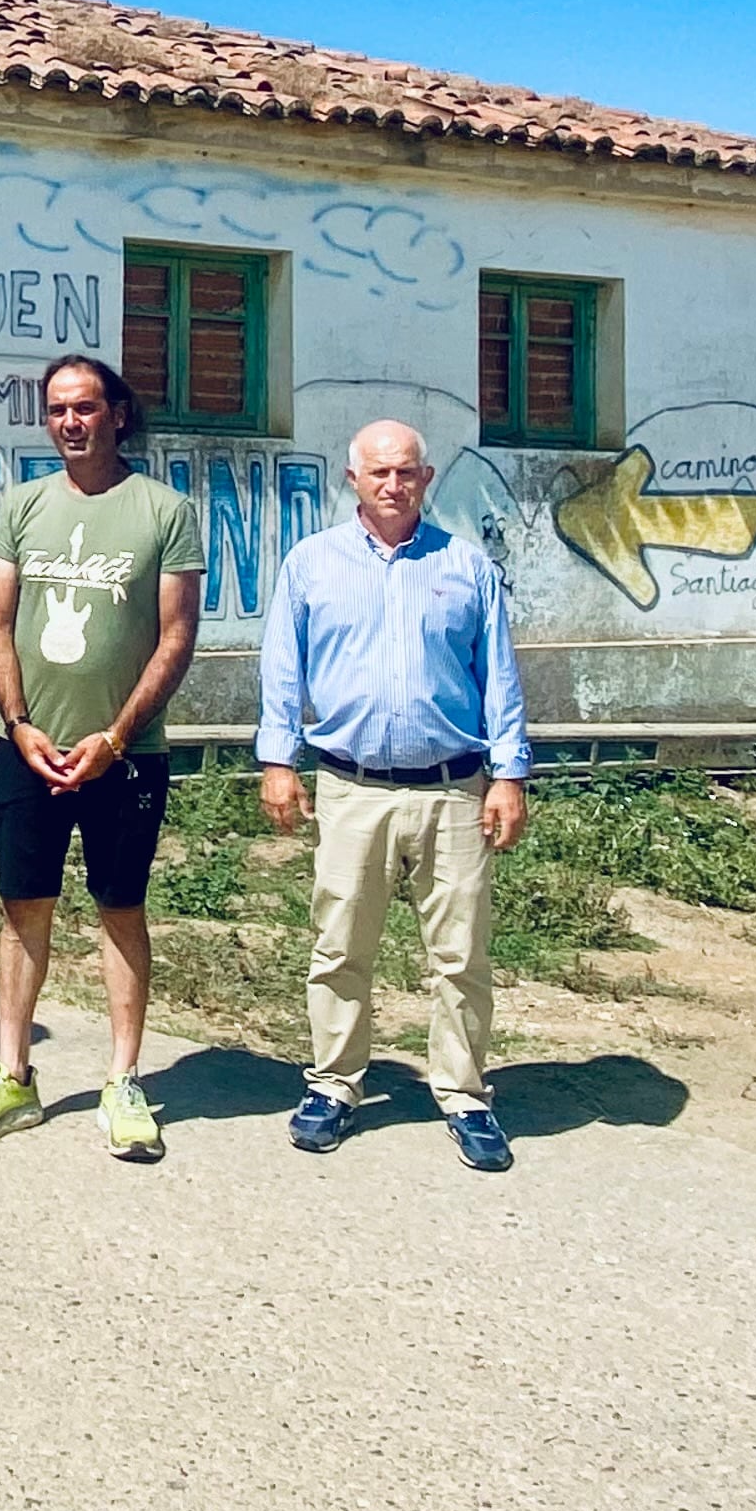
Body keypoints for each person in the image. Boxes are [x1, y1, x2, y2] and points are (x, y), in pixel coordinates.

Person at [255, 417, 532, 1173]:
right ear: (354, 479)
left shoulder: (466, 567)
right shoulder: (312, 565)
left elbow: (498, 677)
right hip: (351, 789)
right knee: (341, 946)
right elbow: (284, 669)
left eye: (406, 472)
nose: (393, 484)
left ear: (426, 478)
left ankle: (465, 1095)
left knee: (460, 955)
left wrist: (508, 775)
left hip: (452, 789)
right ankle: (335, 1085)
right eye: (378, 472)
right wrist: (278, 761)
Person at [0, 353, 203, 1161]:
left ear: (117, 414)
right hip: (27, 750)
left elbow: (177, 636)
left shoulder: (166, 511)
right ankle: (13, 1074)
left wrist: (116, 738)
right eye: (57, 409)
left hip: (125, 758)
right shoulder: (22, 506)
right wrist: (18, 723)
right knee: (24, 908)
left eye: (86, 407)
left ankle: (124, 1081)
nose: (70, 422)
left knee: (120, 908)